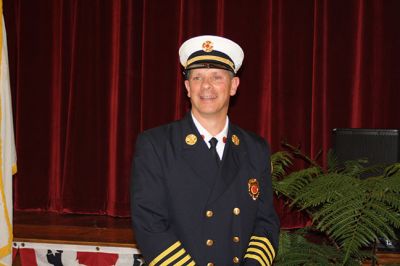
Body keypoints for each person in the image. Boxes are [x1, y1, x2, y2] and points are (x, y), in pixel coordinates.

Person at [131, 35, 280, 266]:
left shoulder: (255, 149)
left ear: (233, 86)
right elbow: (150, 225)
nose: (206, 86)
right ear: (188, 88)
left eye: (217, 77)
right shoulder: (156, 145)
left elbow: (266, 222)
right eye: (198, 77)